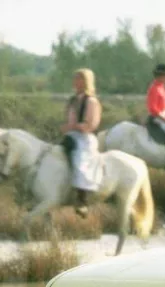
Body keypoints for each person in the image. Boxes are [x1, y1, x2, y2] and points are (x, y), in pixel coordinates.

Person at [61, 68, 103, 217]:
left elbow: (90, 125)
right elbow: (69, 121)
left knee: (80, 160)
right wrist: (66, 127)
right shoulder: (72, 100)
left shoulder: (91, 101)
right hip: (72, 135)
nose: (76, 82)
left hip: (85, 138)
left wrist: (73, 127)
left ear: (86, 82)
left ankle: (82, 200)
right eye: (75, 79)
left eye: (80, 79)